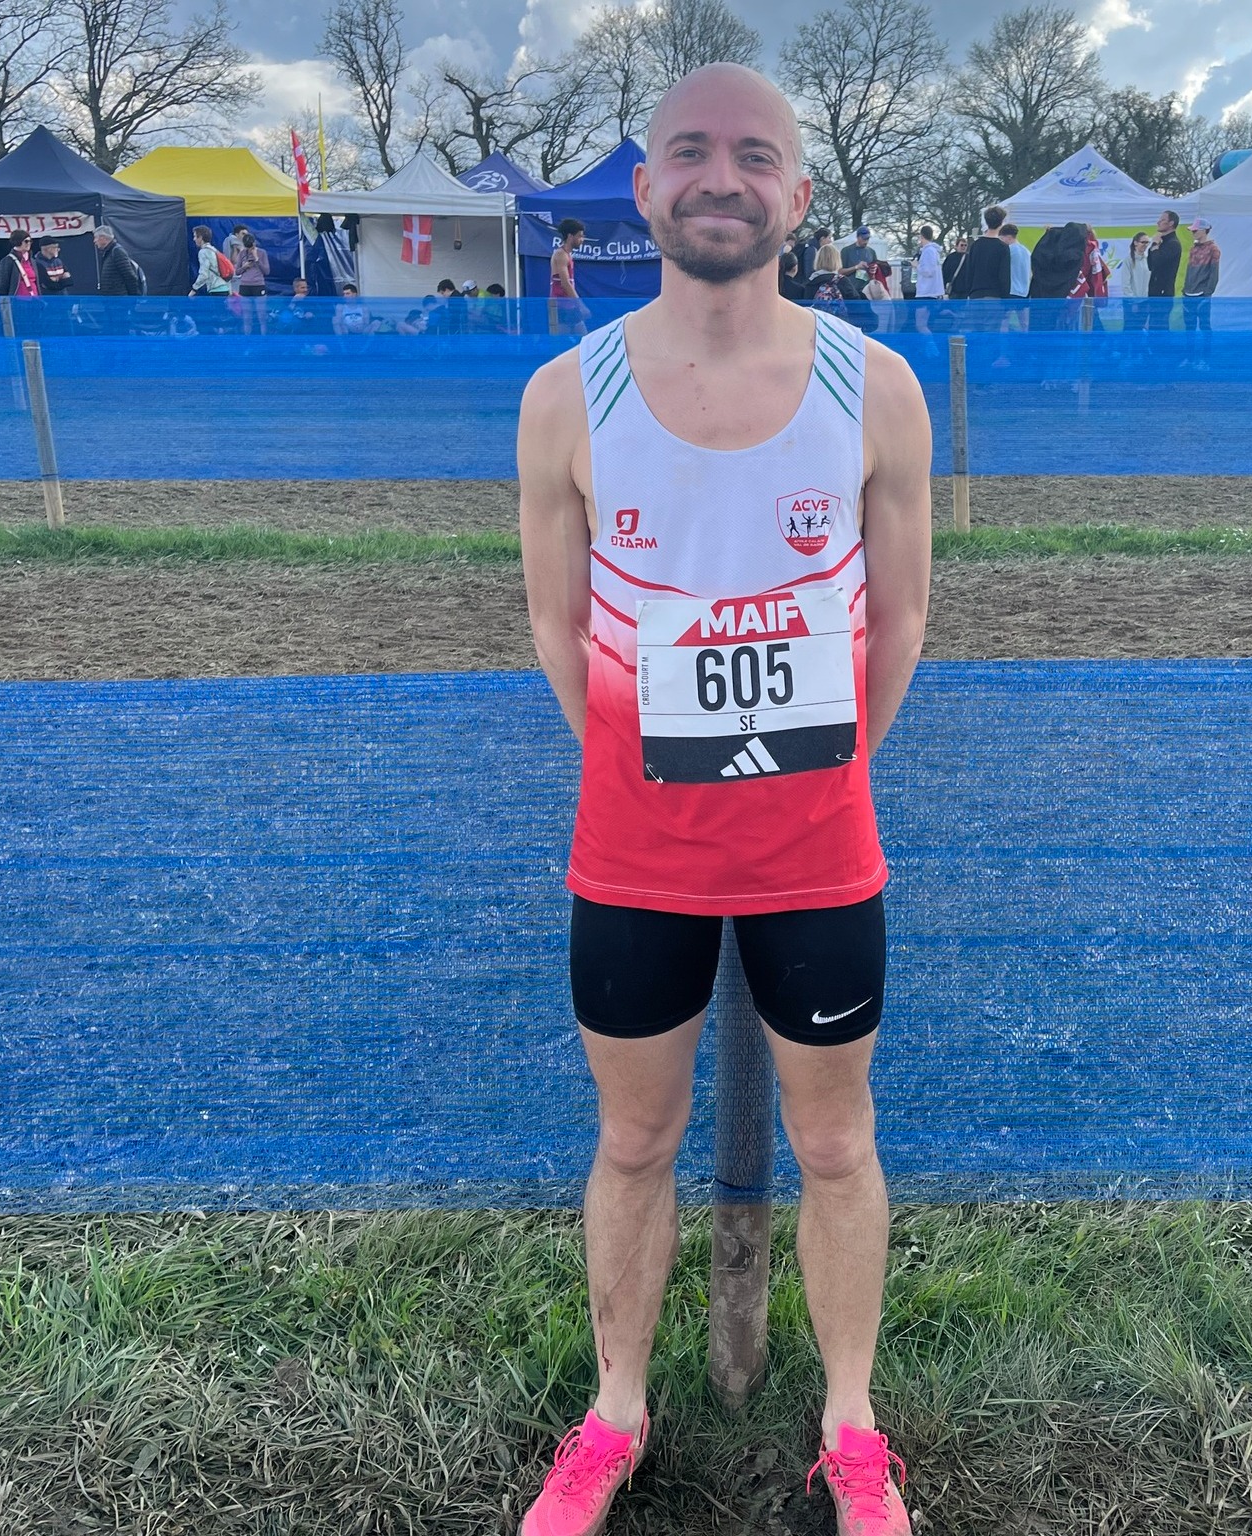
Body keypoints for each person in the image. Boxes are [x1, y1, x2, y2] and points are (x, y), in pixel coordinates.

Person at [516, 59, 930, 1536]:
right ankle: (614, 1416)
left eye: (755, 156)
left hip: (823, 854)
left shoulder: (875, 387)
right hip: (634, 859)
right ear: (645, 189)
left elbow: (901, 618)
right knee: (633, 1142)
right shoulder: (567, 395)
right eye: (690, 150)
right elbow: (559, 625)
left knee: (837, 1144)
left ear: (797, 194)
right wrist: (647, 773)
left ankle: (853, 1429)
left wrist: (816, 776)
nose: (721, 177)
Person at [1181, 218, 1220, 367]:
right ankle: (1190, 358)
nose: (1193, 233)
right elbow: (1189, 271)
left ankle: (1205, 360)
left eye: (1195, 230)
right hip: (1188, 294)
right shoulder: (1193, 249)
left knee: (1205, 328)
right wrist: (1185, 290)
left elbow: (1214, 274)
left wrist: (1207, 293)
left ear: (1204, 231)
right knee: (1189, 329)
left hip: (1202, 295)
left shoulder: (1213, 249)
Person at [957, 205, 1011, 304]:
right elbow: (1004, 277)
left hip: (975, 295)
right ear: (1001, 222)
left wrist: (969, 292)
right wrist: (1005, 298)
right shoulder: (1003, 247)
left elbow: (969, 272)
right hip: (995, 296)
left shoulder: (975, 245)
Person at [550, 217, 589, 335]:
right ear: (570, 236)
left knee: (583, 336)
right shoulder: (560, 255)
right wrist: (580, 305)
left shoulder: (566, 255)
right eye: (579, 236)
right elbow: (565, 283)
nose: (582, 240)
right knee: (561, 340)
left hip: (569, 305)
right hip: (561, 306)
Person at [1146, 208, 1183, 330]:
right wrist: (1154, 245)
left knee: (1160, 326)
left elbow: (1158, 261)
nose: (1158, 222)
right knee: (1153, 326)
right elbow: (1151, 265)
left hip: (1163, 293)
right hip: (1154, 291)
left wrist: (1156, 244)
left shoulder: (1173, 244)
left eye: (1162, 220)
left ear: (1171, 223)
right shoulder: (1162, 241)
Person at [232, 230, 270, 333]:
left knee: (261, 316)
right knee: (247, 317)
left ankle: (263, 338)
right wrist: (244, 266)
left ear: (254, 243)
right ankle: (247, 339)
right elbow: (237, 272)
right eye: (247, 247)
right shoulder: (242, 253)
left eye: (251, 246)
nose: (249, 249)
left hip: (258, 285)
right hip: (245, 286)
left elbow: (266, 271)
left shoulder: (262, 253)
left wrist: (257, 259)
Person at [93, 225, 143, 296]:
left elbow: (129, 276)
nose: (94, 241)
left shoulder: (117, 252)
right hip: (112, 299)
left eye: (95, 238)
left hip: (120, 299)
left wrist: (133, 298)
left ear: (103, 237)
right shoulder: (109, 252)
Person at [1120, 231, 1151, 329]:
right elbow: (1126, 284)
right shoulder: (1128, 260)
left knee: (1141, 328)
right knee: (1130, 329)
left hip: (1145, 302)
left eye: (1147, 242)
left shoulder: (1148, 259)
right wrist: (1133, 302)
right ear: (1135, 243)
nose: (1145, 245)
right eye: (1143, 242)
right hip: (1131, 302)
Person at [190, 225, 230, 298]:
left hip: (216, 291)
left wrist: (194, 289)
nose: (194, 239)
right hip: (224, 287)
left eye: (195, 236)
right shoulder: (214, 250)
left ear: (201, 237)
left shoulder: (203, 252)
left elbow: (204, 274)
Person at [0, 230, 39, 298]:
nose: (29, 243)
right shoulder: (8, 261)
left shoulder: (32, 261)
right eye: (26, 241)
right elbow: (3, 286)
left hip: (34, 299)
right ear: (18, 242)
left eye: (30, 241)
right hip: (17, 300)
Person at [913, 226, 943, 301]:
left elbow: (928, 271)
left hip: (927, 292)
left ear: (922, 236)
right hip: (932, 292)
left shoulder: (928, 251)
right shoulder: (933, 251)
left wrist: (917, 265)